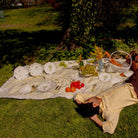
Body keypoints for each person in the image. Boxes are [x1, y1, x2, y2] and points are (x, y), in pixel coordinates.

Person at [74, 70, 138, 134]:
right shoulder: (109, 111)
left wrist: (82, 108)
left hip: (130, 82)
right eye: (88, 100)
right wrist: (94, 118)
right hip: (136, 91)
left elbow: (78, 96)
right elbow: (110, 129)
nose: (88, 98)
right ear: (94, 105)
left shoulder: (96, 98)